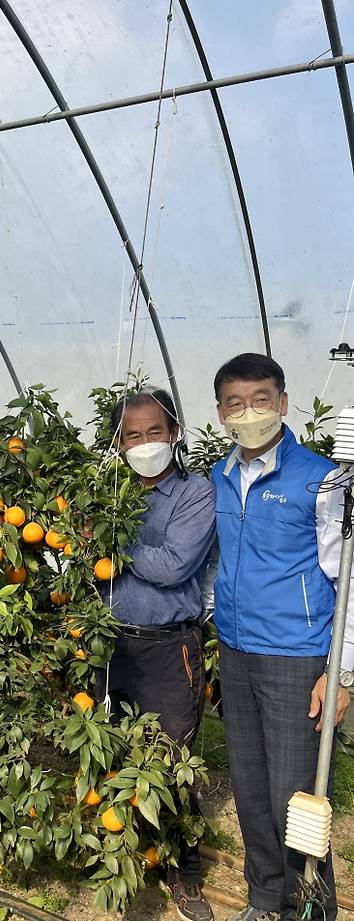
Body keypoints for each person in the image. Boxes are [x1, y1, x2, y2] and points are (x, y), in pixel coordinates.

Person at [211, 353, 353, 921]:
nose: (250, 412)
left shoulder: (320, 480)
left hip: (296, 657)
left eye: (261, 399)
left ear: (284, 403)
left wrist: (341, 673)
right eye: (236, 403)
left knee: (296, 794)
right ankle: (265, 896)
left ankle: (310, 905)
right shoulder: (221, 476)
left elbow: (349, 579)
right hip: (237, 652)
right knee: (249, 787)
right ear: (220, 412)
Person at [97, 388, 216, 921]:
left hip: (168, 645)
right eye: (132, 435)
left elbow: (172, 567)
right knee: (112, 748)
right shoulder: (108, 493)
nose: (144, 443)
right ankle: (122, 851)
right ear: (118, 442)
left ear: (173, 434)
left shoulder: (194, 494)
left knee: (171, 759)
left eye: (154, 433)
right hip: (107, 640)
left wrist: (113, 543)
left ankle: (183, 871)